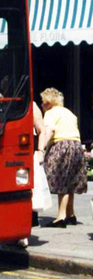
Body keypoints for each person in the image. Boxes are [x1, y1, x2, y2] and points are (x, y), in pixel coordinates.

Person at [39, 87, 87, 227]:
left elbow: (50, 131)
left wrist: (41, 148)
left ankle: (61, 217)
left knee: (61, 181)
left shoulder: (50, 113)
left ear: (48, 103)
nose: (41, 105)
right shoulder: (69, 113)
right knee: (71, 180)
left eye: (42, 102)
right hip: (76, 145)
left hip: (62, 145)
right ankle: (71, 214)